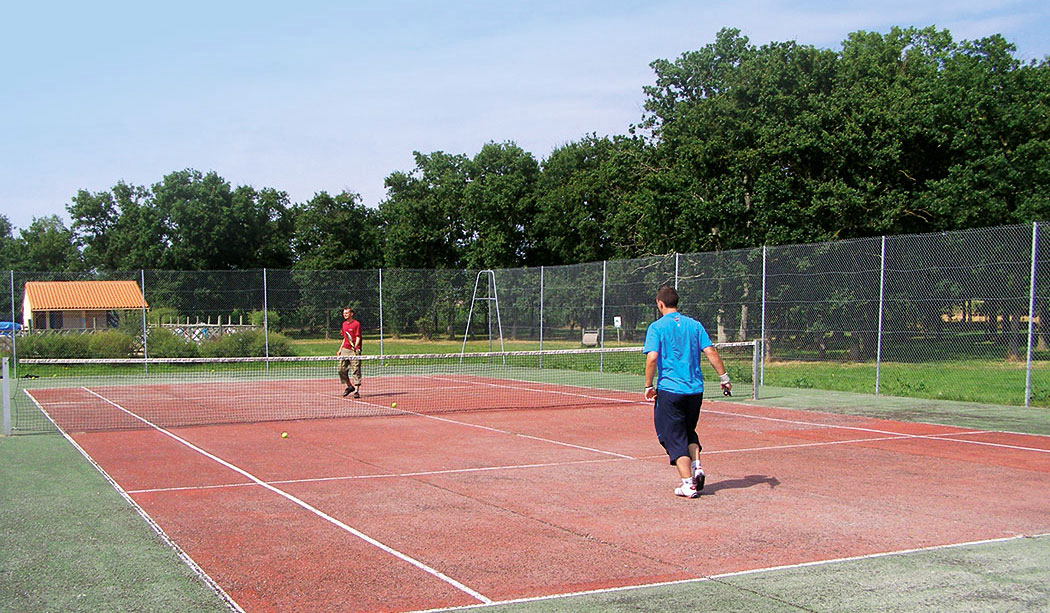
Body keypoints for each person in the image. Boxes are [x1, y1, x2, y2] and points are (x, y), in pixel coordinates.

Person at [643, 285, 731, 498]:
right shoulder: (694, 325)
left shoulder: (656, 327)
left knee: (673, 436)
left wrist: (648, 385)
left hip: (671, 391)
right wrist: (724, 378)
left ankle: (688, 484)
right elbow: (710, 351)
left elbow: (652, 357)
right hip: (695, 391)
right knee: (688, 430)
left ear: (660, 303)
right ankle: (697, 466)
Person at [338, 307, 362, 398]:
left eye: (347, 313)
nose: (345, 315)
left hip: (354, 350)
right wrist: (340, 349)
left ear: (351, 314)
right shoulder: (344, 324)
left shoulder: (356, 324)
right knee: (341, 369)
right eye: (344, 313)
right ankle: (349, 386)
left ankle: (356, 391)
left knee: (355, 369)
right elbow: (345, 338)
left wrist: (355, 347)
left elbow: (358, 337)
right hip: (345, 349)